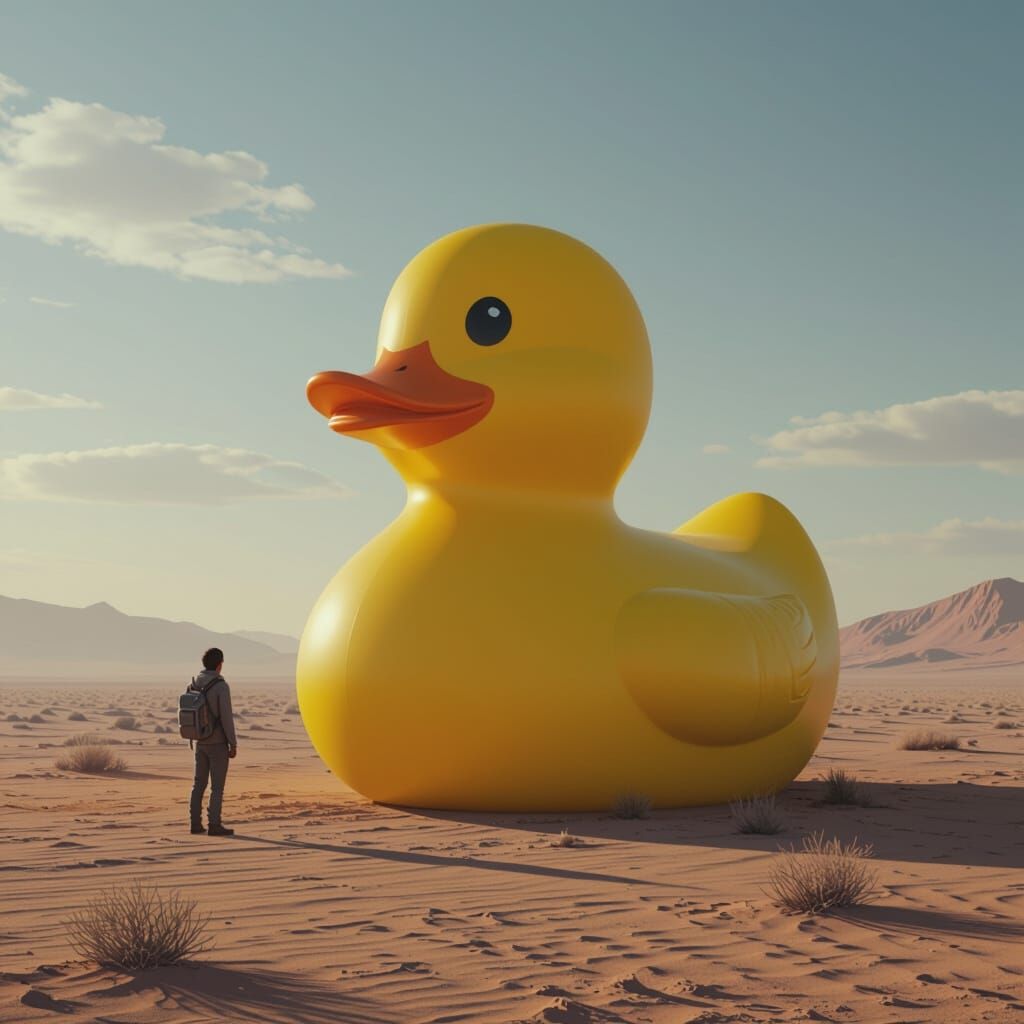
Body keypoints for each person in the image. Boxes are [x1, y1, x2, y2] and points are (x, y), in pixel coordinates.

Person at [188, 647, 238, 836]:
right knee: (217, 787)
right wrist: (232, 743)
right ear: (220, 665)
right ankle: (214, 825)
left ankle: (195, 824)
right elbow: (226, 717)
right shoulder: (220, 686)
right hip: (217, 743)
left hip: (199, 742)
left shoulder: (194, 683)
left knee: (198, 784)